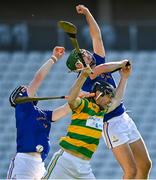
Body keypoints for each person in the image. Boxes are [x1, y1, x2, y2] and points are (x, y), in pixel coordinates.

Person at [66, 5, 152, 179]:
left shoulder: (96, 61)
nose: (87, 52)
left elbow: (96, 35)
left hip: (123, 117)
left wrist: (88, 13)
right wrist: (121, 64)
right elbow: (104, 70)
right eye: (82, 54)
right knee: (131, 171)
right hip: (111, 124)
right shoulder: (86, 79)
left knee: (145, 165)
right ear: (78, 65)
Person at [43, 63, 132, 179]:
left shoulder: (102, 112)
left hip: (84, 166)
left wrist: (124, 78)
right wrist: (83, 76)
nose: (110, 101)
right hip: (65, 162)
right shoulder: (83, 105)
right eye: (109, 96)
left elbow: (117, 100)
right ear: (99, 94)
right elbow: (71, 99)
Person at [7, 46, 71, 179]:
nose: (29, 88)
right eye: (25, 89)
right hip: (24, 162)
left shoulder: (43, 114)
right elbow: (38, 79)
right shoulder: (23, 107)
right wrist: (53, 58)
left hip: (40, 164)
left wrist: (78, 98)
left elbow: (65, 109)